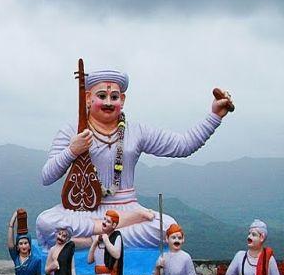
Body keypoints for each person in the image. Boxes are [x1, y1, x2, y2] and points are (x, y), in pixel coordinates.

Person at [36, 69, 233, 248]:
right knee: (46, 223)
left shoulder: (136, 131)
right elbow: (46, 177)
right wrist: (72, 150)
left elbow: (183, 146)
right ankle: (106, 237)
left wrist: (214, 116)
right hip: (83, 212)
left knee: (167, 227)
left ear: (122, 100)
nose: (108, 102)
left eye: (114, 97)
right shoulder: (72, 130)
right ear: (88, 98)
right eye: (101, 96)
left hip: (127, 208)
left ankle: (92, 241)